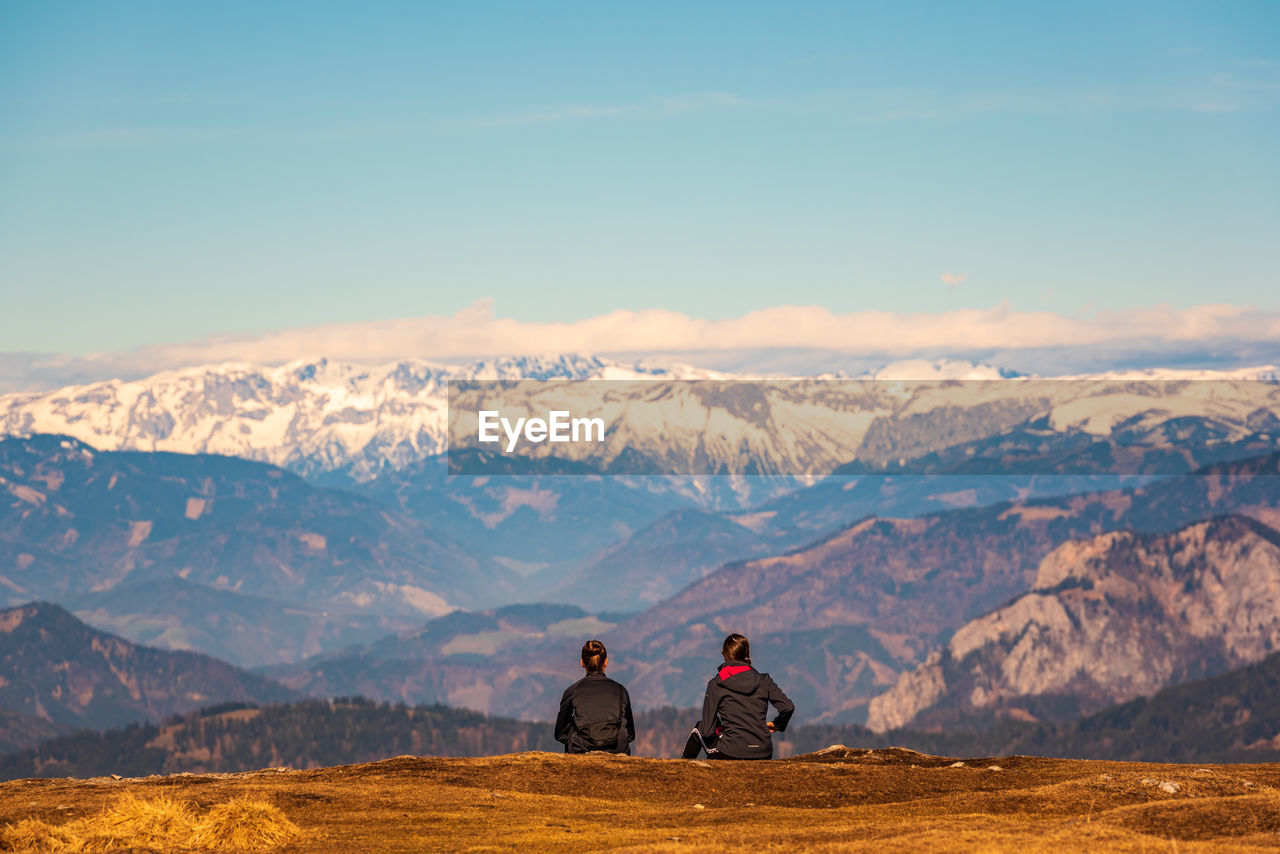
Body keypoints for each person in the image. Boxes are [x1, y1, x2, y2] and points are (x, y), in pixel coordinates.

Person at [683, 633, 794, 760]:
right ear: (747, 655)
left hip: (731, 752)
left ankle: (681, 772)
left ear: (724, 654)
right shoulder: (764, 680)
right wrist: (777, 724)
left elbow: (707, 731)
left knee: (699, 728)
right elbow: (788, 707)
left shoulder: (716, 684)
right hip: (763, 752)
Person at [554, 639, 636, 754]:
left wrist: (575, 742)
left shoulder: (573, 691)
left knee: (573, 723)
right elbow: (631, 734)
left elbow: (560, 734)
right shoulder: (621, 690)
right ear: (606, 662)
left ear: (582, 663)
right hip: (617, 751)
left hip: (581, 750)